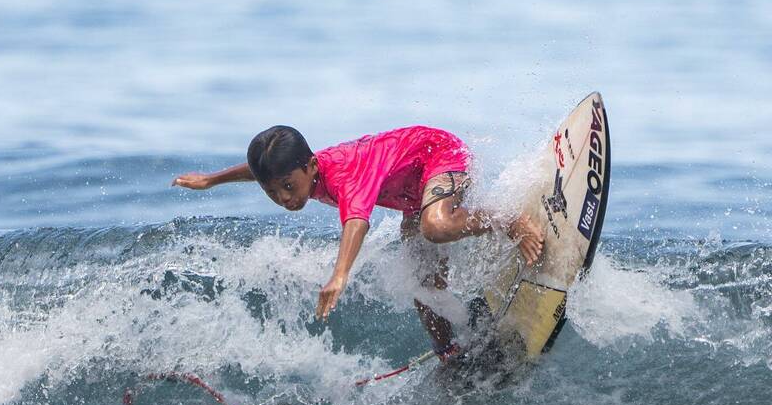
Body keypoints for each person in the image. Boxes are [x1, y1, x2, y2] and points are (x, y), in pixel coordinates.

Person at [172, 125, 544, 361]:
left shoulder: (343, 176)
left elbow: (357, 221)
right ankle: (449, 354)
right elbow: (257, 172)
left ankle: (511, 221)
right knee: (422, 284)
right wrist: (211, 180)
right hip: (413, 192)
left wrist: (339, 275)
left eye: (289, 187)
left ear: (311, 166)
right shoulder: (301, 170)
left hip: (439, 155)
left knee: (435, 225)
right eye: (274, 192)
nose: (285, 199)